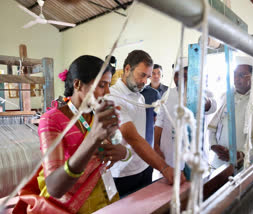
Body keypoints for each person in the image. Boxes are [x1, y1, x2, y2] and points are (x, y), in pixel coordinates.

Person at [13, 55, 129, 214]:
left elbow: (112, 148)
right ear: (78, 84)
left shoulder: (95, 114)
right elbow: (54, 187)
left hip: (104, 198)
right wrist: (93, 138)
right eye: (102, 85)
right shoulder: (51, 120)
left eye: (109, 85)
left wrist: (123, 152)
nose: (107, 91)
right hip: (68, 206)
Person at [109, 50, 185, 197]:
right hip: (124, 173)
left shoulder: (139, 97)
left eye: (148, 77)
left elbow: (144, 132)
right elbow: (133, 137)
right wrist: (164, 168)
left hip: (144, 167)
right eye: (142, 75)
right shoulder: (113, 97)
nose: (145, 81)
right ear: (127, 69)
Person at [154, 59, 217, 172]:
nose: (178, 79)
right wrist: (156, 146)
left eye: (184, 75)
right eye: (176, 75)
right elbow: (159, 122)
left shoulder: (205, 93)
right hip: (168, 156)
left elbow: (211, 106)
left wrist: (200, 95)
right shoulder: (167, 94)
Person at [208, 56, 253, 170]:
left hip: (244, 165)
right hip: (219, 161)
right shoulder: (226, 95)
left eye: (241, 75)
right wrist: (213, 145)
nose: (236, 79)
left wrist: (241, 155)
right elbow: (213, 126)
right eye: (234, 74)